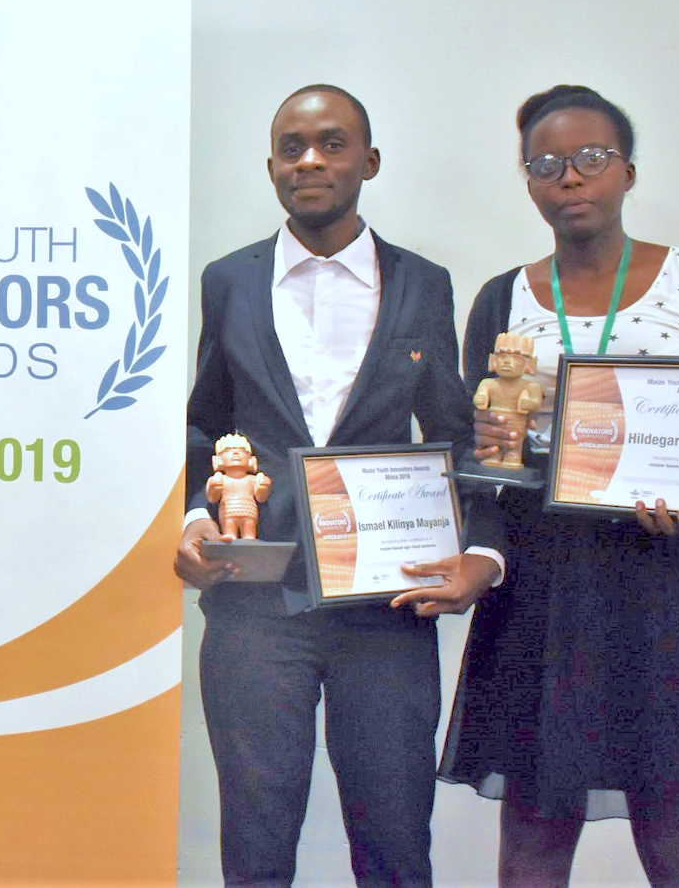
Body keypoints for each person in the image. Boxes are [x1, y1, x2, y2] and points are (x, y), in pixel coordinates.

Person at [174, 84, 507, 886]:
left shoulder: (423, 284)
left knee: (395, 844)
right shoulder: (230, 281)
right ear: (271, 167)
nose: (310, 160)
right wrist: (194, 518)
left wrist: (483, 554)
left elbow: (457, 437)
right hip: (257, 606)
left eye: (331, 143)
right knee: (256, 845)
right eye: (292, 147)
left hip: (385, 610)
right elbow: (203, 422)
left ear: (370, 161)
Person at [438, 85, 679, 885]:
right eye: (547, 164)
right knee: (536, 837)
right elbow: (487, 463)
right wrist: (489, 449)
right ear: (528, 181)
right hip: (541, 588)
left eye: (591, 159)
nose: (571, 179)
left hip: (671, 585)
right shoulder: (501, 298)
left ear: (626, 171)